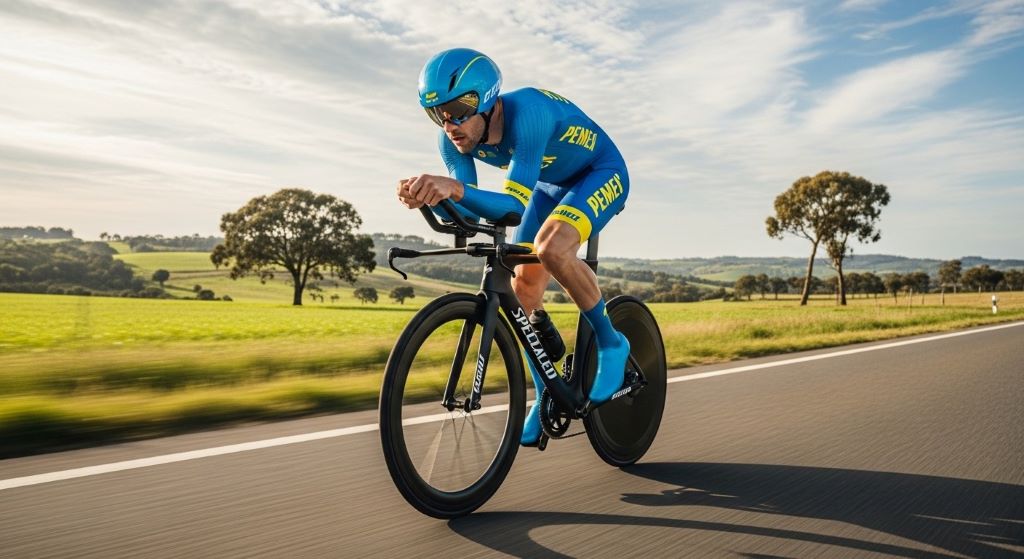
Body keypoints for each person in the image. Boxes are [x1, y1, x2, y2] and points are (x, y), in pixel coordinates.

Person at [397, 48, 630, 446]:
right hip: (548, 183)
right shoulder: (452, 140)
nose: (448, 123)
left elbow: (511, 205)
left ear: (486, 99)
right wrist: (433, 196)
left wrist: (454, 189)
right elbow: (469, 207)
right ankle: (546, 395)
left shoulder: (529, 114)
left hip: (598, 171)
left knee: (552, 248)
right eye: (436, 113)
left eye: (457, 109)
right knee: (521, 289)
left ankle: (612, 341)